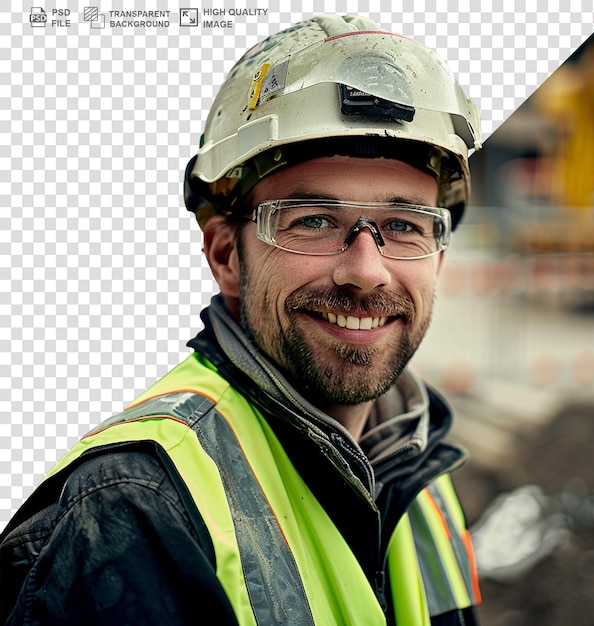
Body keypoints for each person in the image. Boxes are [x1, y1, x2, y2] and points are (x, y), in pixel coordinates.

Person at [0, 14, 483, 625]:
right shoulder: (132, 509)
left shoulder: (419, 473)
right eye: (312, 220)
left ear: (437, 255)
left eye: (404, 225)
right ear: (227, 256)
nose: (367, 271)